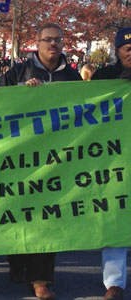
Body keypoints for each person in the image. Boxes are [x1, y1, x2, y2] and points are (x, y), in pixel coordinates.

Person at [0, 23, 82, 300]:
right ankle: (17, 263)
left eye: (58, 40)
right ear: (37, 43)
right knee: (19, 213)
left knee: (47, 217)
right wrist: (22, 94)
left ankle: (41, 280)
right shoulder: (17, 73)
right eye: (48, 40)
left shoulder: (72, 78)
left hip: (56, 159)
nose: (53, 45)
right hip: (20, 158)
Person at [91, 27, 131, 300]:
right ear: (116, 50)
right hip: (114, 160)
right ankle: (114, 283)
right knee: (116, 218)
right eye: (126, 47)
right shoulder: (104, 77)